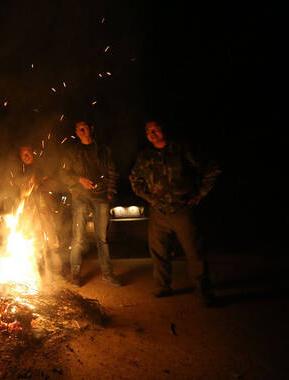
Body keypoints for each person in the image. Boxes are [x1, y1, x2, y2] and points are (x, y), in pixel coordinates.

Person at [129, 120, 220, 304]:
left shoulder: (182, 150)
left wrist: (200, 193)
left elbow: (211, 170)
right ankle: (163, 286)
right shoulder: (145, 157)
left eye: (156, 129)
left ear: (164, 130)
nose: (152, 133)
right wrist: (151, 199)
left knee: (194, 251)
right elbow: (135, 180)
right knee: (158, 251)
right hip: (158, 211)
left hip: (182, 209)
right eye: (148, 131)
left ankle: (202, 289)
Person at [60, 121, 120, 287]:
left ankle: (108, 274)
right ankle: (75, 274)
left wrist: (110, 192)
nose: (82, 130)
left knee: (102, 237)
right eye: (78, 128)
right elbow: (63, 174)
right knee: (78, 237)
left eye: (84, 126)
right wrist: (79, 180)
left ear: (91, 128)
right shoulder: (72, 152)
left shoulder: (103, 149)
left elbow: (112, 172)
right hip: (81, 197)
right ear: (76, 132)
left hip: (101, 197)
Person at [14, 145, 61, 276]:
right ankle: (39, 269)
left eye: (28, 152)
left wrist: (40, 183)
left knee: (51, 238)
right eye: (23, 154)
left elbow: (55, 183)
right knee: (35, 239)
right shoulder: (20, 172)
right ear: (21, 157)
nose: (27, 156)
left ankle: (56, 270)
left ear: (33, 153)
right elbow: (20, 191)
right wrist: (27, 187)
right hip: (30, 212)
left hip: (45, 209)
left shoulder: (43, 168)